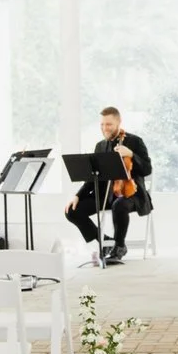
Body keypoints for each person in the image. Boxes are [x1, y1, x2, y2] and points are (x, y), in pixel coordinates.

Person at [66, 106, 152, 263]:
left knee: (119, 205)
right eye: (102, 124)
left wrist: (131, 154)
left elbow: (147, 169)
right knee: (72, 211)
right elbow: (93, 178)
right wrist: (78, 196)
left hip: (131, 194)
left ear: (119, 122)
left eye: (109, 124)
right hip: (107, 194)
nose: (104, 128)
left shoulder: (135, 141)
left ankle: (119, 247)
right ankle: (104, 242)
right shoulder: (100, 146)